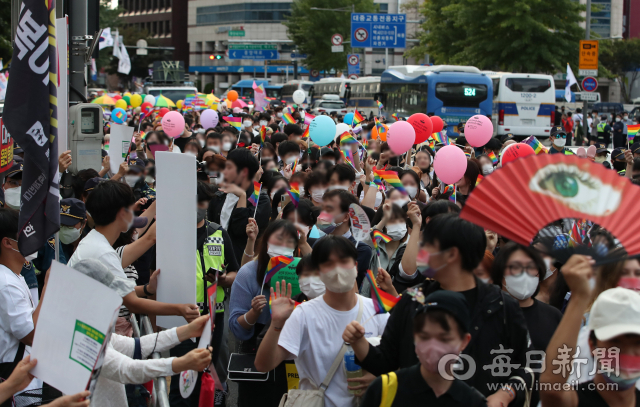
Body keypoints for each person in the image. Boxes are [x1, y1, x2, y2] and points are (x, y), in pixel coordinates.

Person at [344, 214, 533, 405]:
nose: (420, 251)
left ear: (451, 254)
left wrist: (505, 394)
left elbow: (527, 366)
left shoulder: (501, 305)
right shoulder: (413, 299)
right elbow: (386, 361)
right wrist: (359, 342)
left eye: (427, 246)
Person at [254, 235, 389, 407]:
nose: (337, 269)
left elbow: (403, 361)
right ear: (319, 272)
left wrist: (381, 378)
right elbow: (264, 364)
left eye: (343, 261)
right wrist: (276, 324)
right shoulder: (303, 314)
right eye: (328, 264)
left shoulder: (377, 310)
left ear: (355, 266)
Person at [67, 180, 200, 322]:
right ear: (122, 213)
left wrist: (147, 289)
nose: (134, 215)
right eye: (131, 209)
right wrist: (180, 309)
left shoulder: (94, 241)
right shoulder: (103, 253)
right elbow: (133, 304)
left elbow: (119, 287)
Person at [541, 255, 640, 407]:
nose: (627, 353)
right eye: (615, 342)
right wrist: (579, 297)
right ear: (592, 344)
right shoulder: (576, 401)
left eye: (637, 343)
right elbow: (552, 390)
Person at [360, 291, 486, 407]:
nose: (433, 347)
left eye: (444, 339)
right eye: (425, 337)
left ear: (464, 341)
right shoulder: (383, 390)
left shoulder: (473, 402)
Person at [228, 220, 299, 407]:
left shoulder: (302, 274)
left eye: (289, 243)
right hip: (256, 355)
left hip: (292, 357)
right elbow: (235, 327)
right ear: (266, 242)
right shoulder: (248, 274)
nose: (283, 247)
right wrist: (253, 313)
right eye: (278, 241)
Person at [0, 208, 47, 402]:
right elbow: (31, 335)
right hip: (16, 385)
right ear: (7, 242)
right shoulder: (6, 283)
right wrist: (48, 291)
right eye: (26, 235)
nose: (33, 241)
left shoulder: (13, 277)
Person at [207, 148, 271, 264]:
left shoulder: (260, 200)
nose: (224, 172)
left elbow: (240, 230)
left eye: (229, 167)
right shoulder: (218, 195)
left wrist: (242, 196)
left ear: (244, 172)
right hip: (214, 262)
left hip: (241, 264)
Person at [317, 190, 373, 288]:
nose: (323, 214)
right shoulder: (318, 243)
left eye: (329, 210)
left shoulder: (361, 249)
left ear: (346, 216)